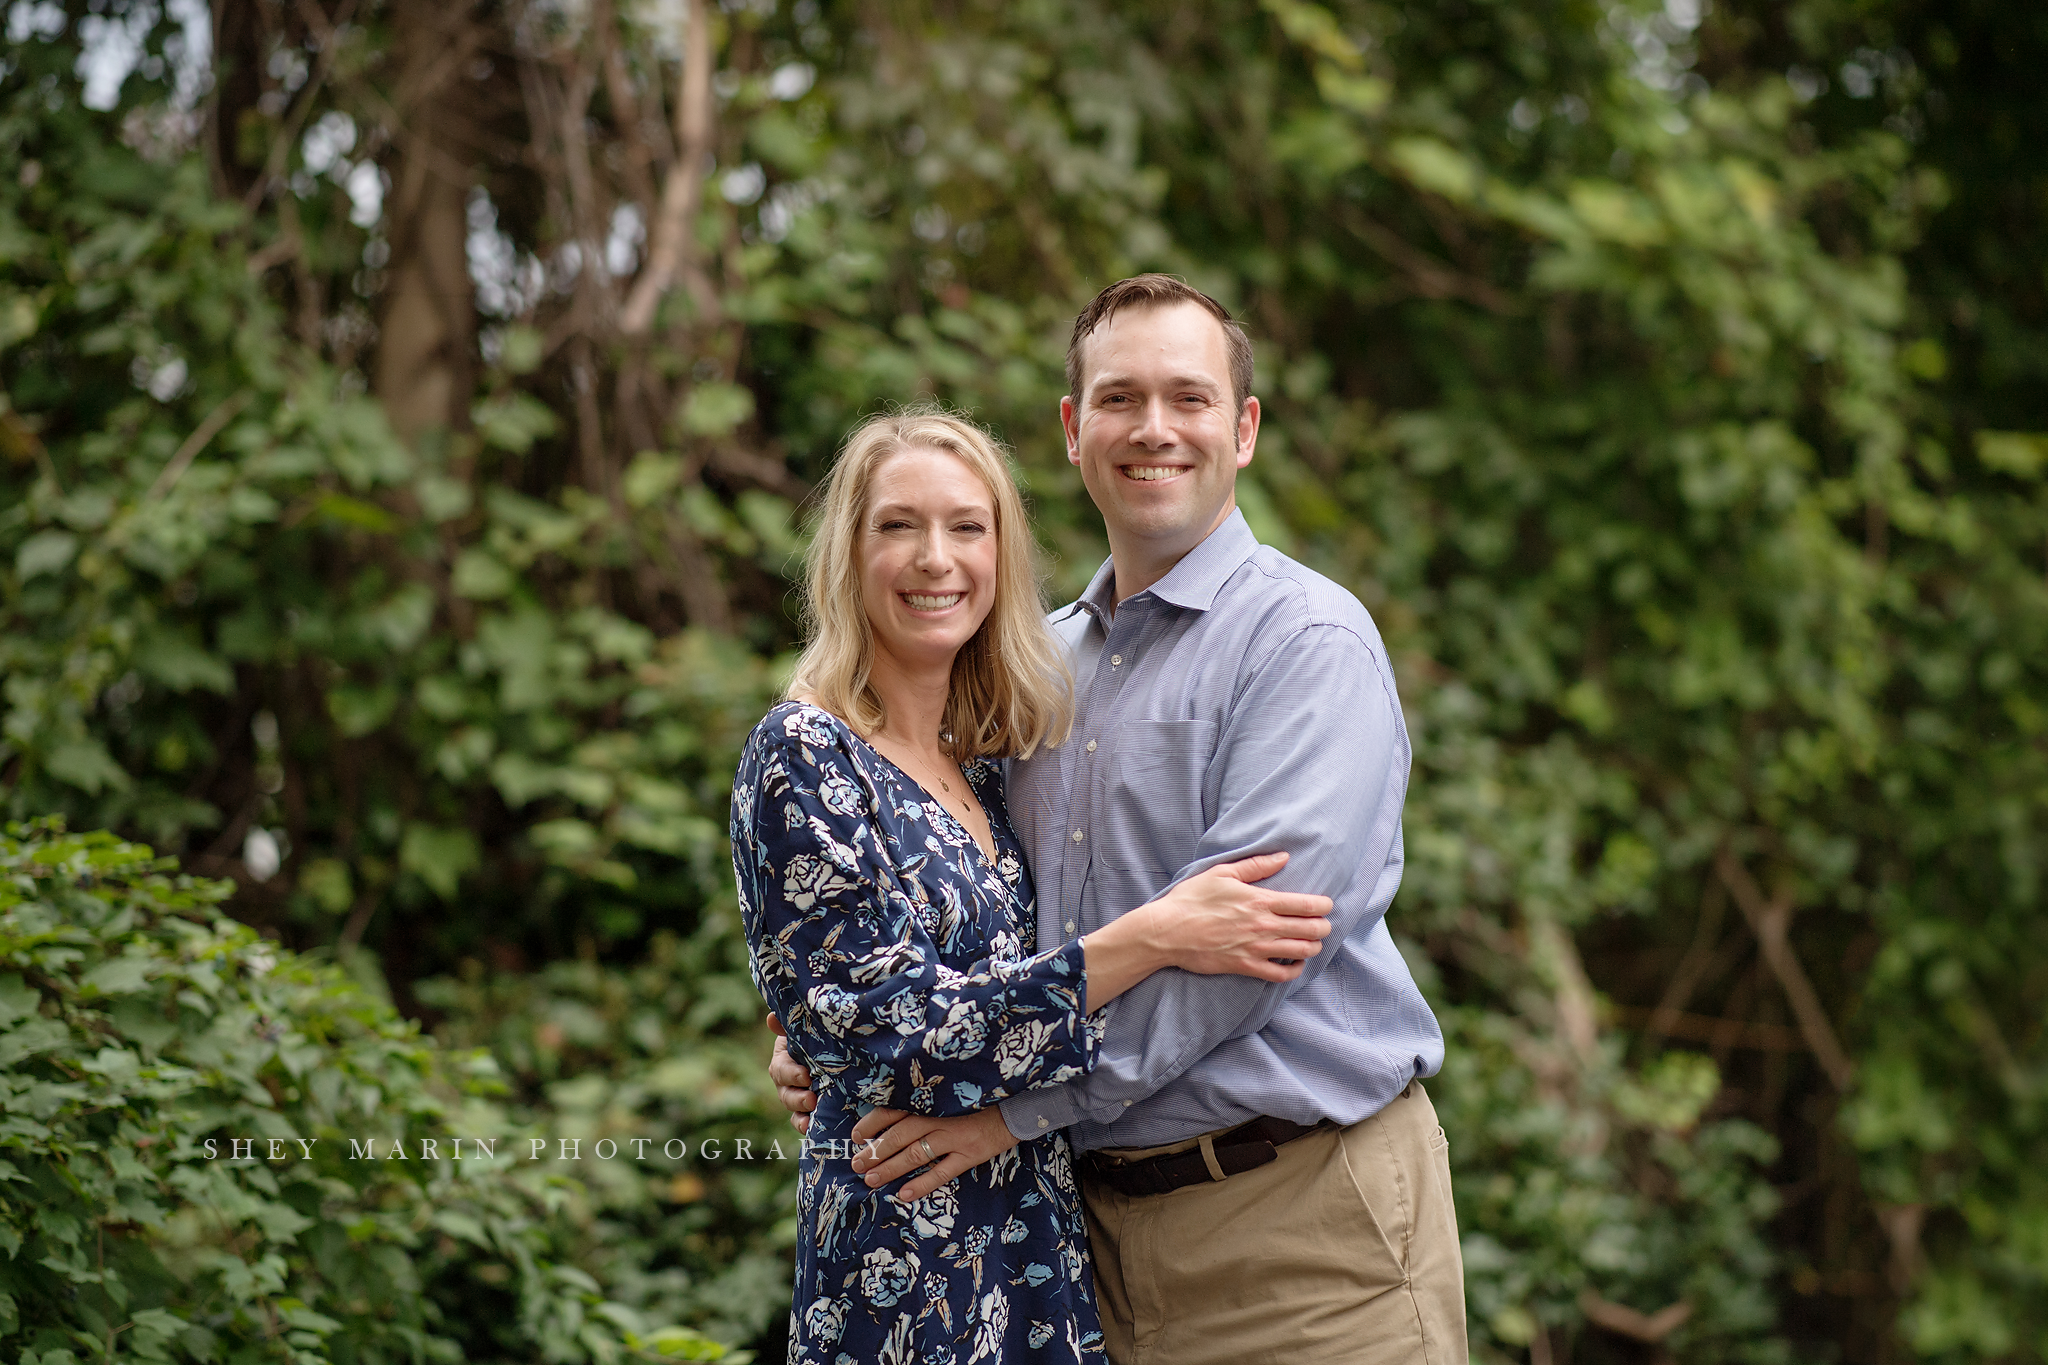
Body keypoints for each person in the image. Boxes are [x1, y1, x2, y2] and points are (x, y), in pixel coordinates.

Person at [772, 277, 1469, 1364]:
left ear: (1240, 430)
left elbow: (1248, 956)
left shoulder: (1303, 645)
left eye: (1188, 399)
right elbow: (948, 917)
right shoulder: (1025, 672)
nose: (1153, 429)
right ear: (1072, 429)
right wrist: (845, 1046)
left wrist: (1003, 1111)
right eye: (1119, 398)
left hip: (1299, 1227)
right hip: (1073, 1248)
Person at [731, 408, 1337, 1365]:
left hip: (1037, 1243)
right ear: (847, 554)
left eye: (968, 527)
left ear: (1004, 555)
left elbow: (948, 991)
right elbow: (892, 1034)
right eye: (898, 525)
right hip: (909, 1253)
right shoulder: (805, 752)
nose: (937, 558)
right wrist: (1155, 933)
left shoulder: (981, 759)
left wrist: (839, 1042)